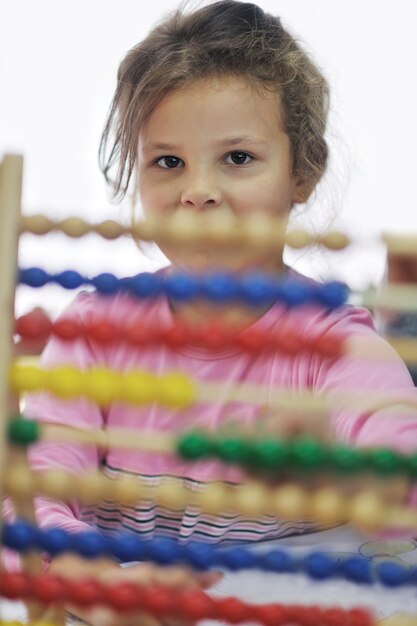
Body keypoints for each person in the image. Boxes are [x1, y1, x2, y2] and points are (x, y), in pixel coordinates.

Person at [4, 2, 417, 624]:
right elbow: (35, 497)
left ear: (302, 173)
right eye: (167, 161)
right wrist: (86, 580)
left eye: (238, 158)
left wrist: (344, 476)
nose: (199, 189)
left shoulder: (336, 347)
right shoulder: (93, 333)